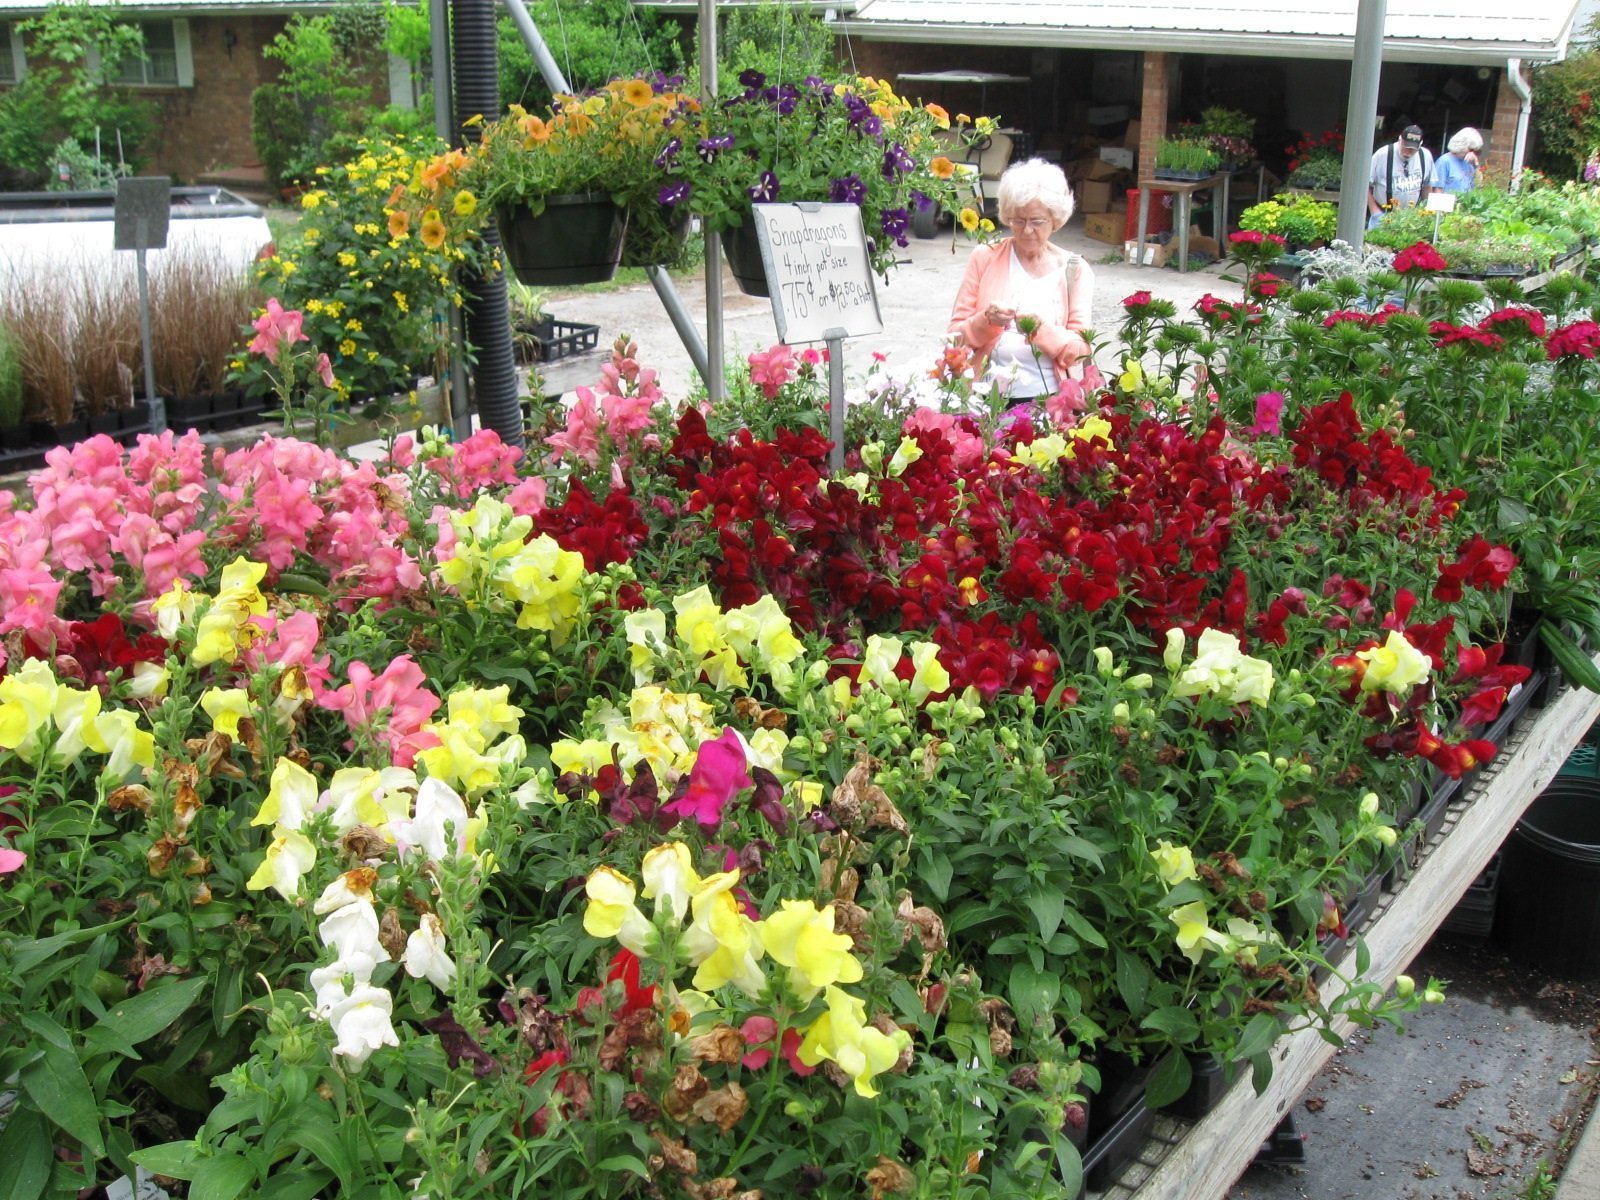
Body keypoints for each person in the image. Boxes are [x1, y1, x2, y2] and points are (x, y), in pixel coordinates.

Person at [948, 158, 1094, 406]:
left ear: (1055, 220)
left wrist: (1040, 330)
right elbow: (954, 339)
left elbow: (1080, 350)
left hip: (1048, 401)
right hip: (985, 397)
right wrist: (986, 320)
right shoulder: (985, 257)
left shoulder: (1075, 269)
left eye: (1037, 221)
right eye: (1019, 220)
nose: (1027, 230)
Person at [1367, 124, 1435, 229]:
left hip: (1413, 218)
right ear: (1400, 140)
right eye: (1405, 147)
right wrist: (1374, 211)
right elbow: (1364, 186)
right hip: (1383, 216)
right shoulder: (1382, 155)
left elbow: (1427, 186)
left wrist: (1427, 212)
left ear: (1420, 145)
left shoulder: (1425, 156)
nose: (1407, 153)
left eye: (1412, 150)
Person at [1434, 128, 1483, 194]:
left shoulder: (1470, 162)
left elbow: (1479, 185)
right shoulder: (1444, 161)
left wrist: (1476, 165)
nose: (1472, 153)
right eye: (1471, 150)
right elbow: (1438, 190)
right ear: (1462, 145)